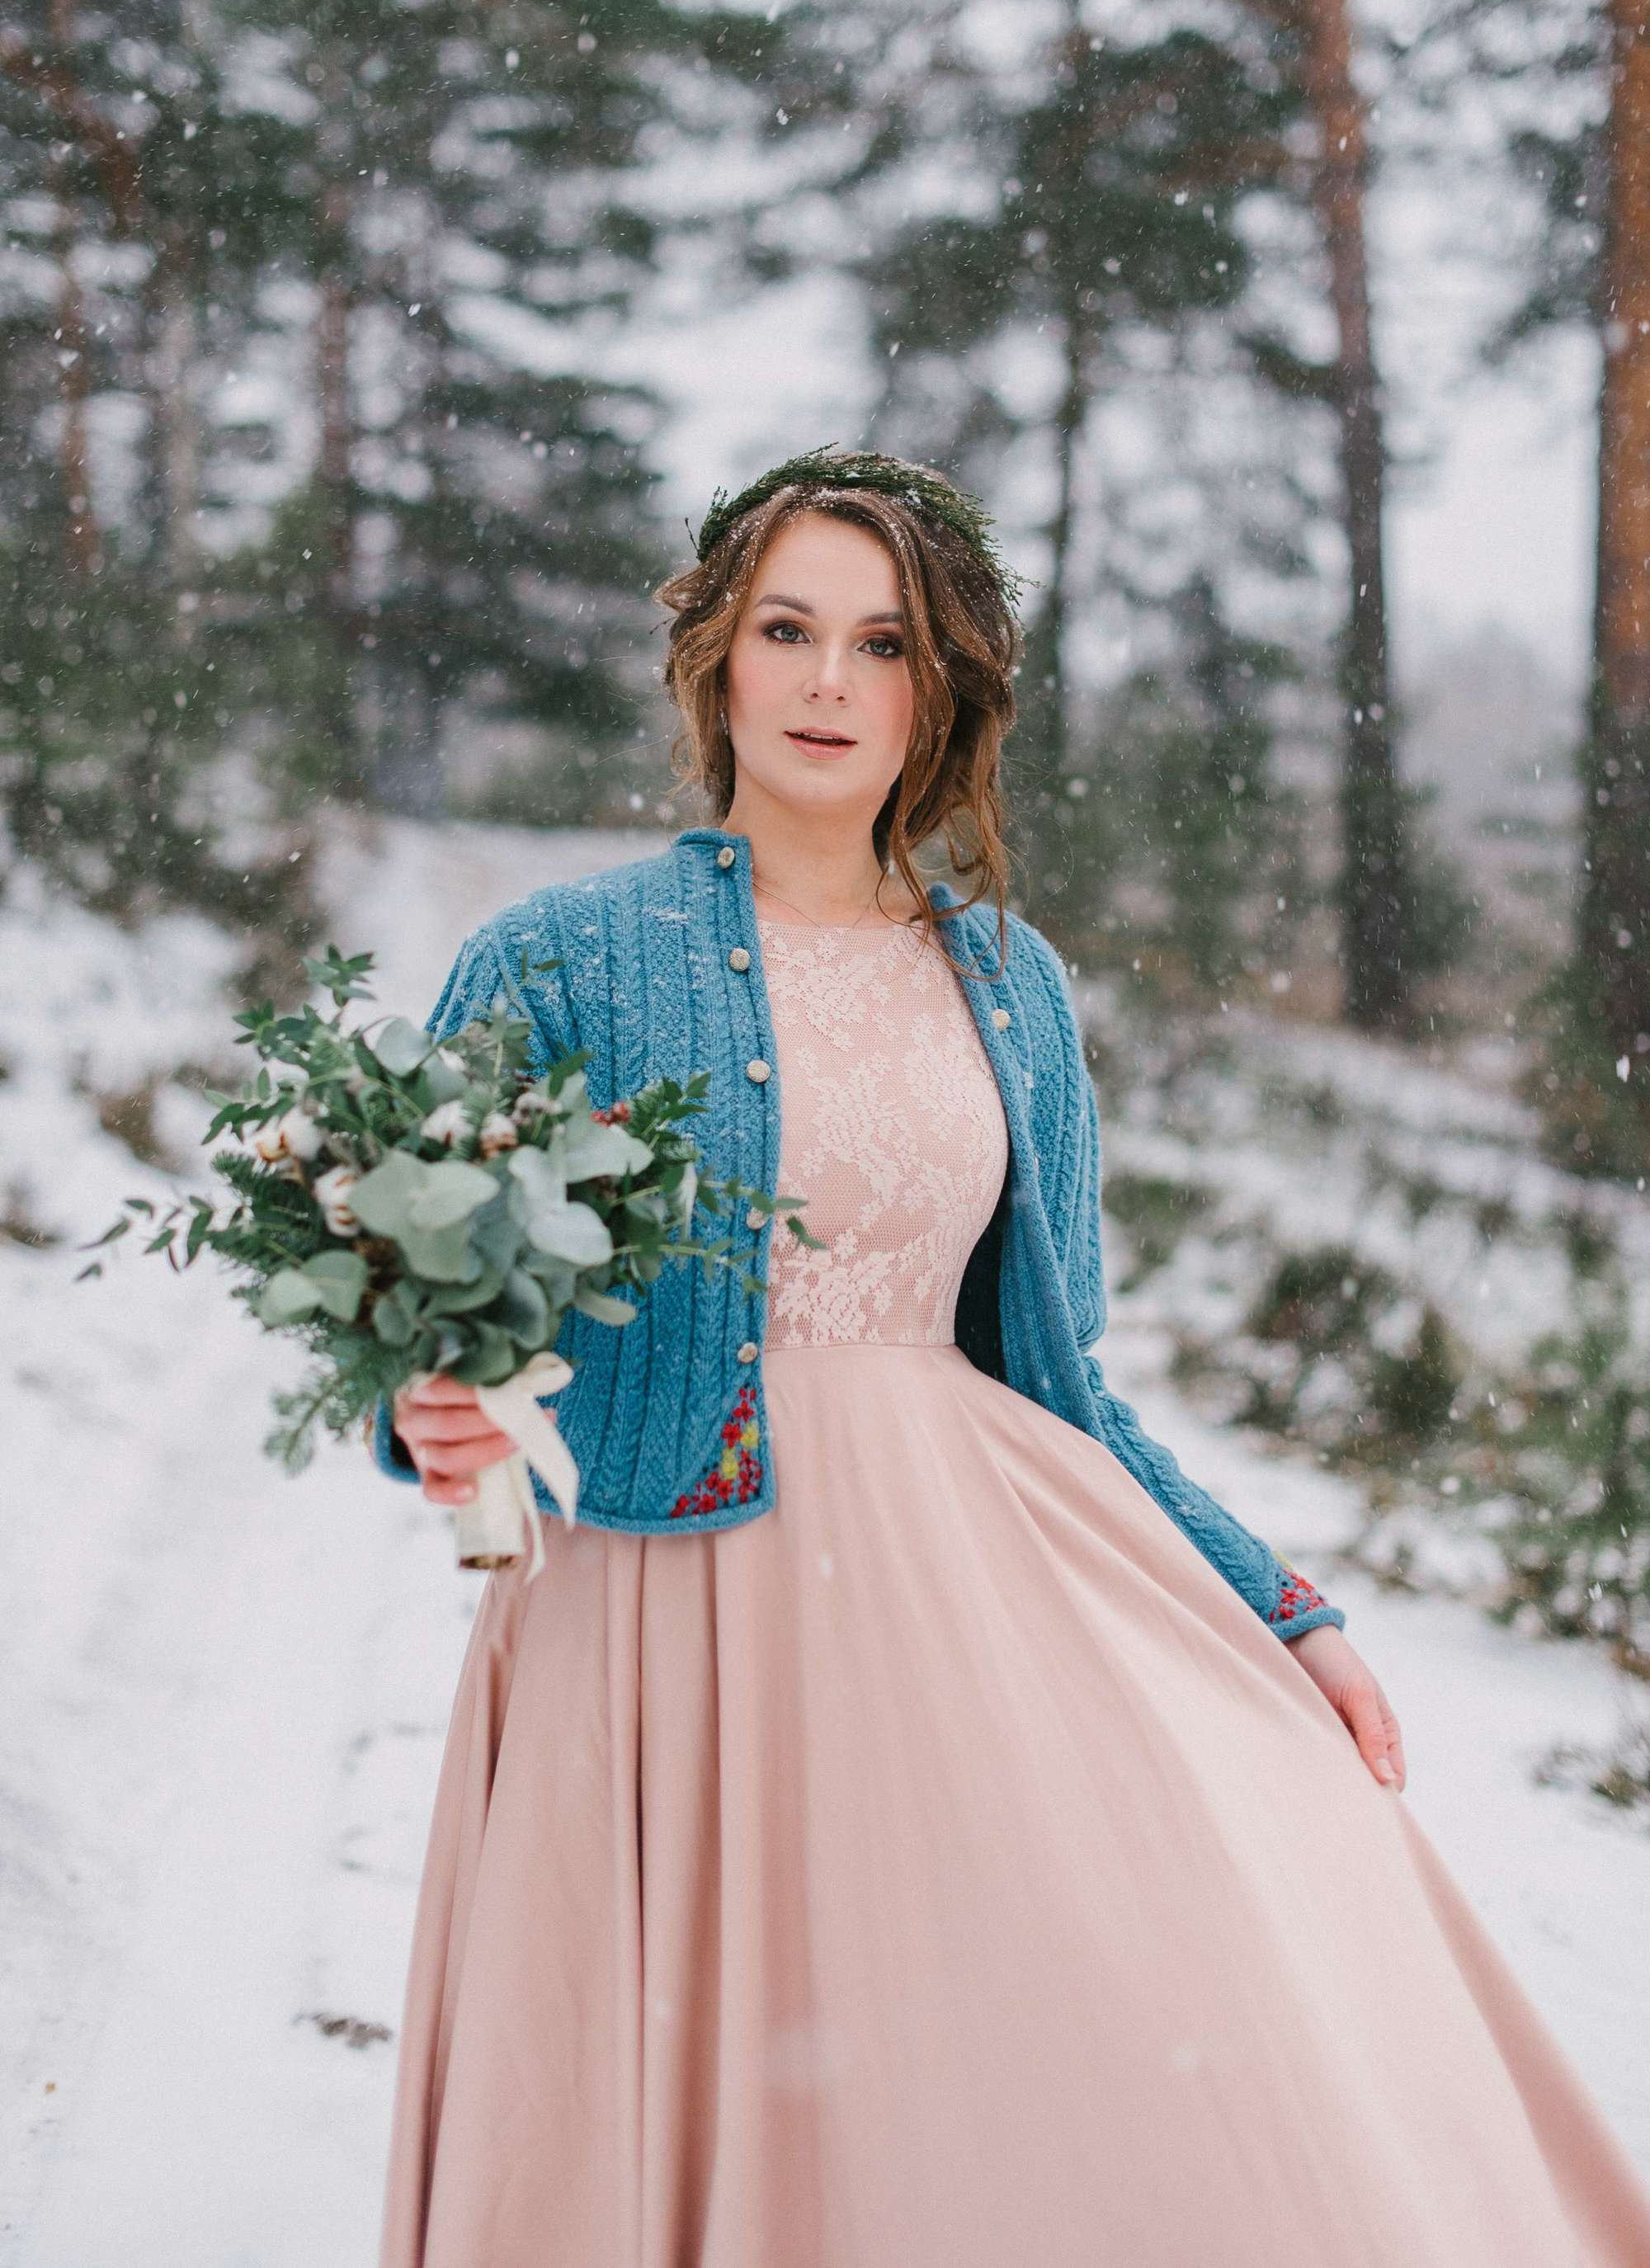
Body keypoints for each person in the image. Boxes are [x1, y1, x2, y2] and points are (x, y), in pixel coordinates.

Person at [373, 448, 1650, 2268]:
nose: (829, 681)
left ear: (942, 685)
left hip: (963, 1605)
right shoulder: (554, 962)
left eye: (883, 642)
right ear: (716, 656)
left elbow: (1063, 1376)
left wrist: (1276, 1605)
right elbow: (426, 1296)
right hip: (657, 1623)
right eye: (788, 630)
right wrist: (426, 1407)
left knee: (1053, 2043)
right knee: (658, 2076)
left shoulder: (1009, 982)